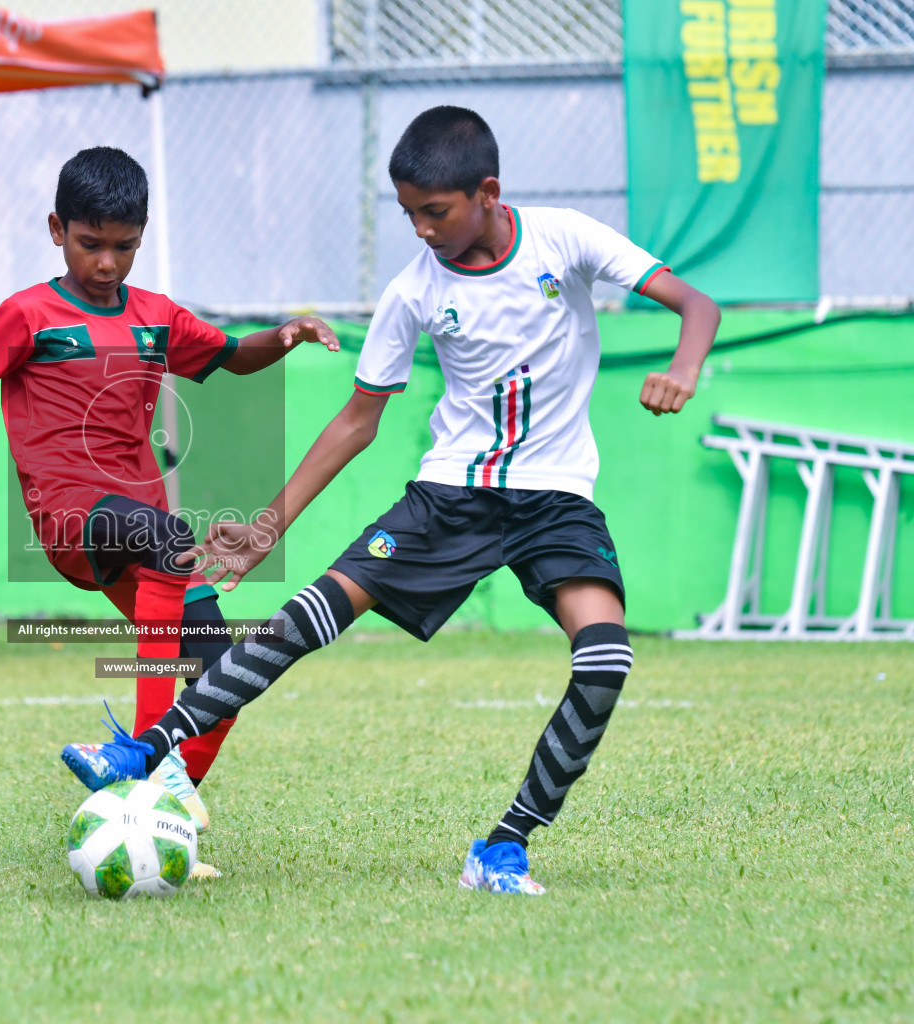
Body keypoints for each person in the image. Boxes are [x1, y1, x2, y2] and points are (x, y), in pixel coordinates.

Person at [60, 106, 721, 896]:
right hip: (451, 496)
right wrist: (269, 526)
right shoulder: (413, 293)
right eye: (407, 213)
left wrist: (684, 366)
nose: (421, 230)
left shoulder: (565, 238)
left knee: (606, 658)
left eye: (434, 212)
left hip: (556, 501)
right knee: (309, 618)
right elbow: (356, 421)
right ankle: (145, 752)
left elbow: (696, 304)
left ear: (487, 191)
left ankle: (505, 846)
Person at [0, 147, 339, 861]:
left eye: (124, 247)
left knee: (225, 673)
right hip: (74, 520)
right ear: (56, 229)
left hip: (146, 533)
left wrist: (283, 338)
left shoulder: (156, 316)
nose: (106, 262)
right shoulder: (29, 314)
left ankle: (162, 804)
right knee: (168, 538)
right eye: (89, 244)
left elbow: (232, 354)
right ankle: (138, 755)